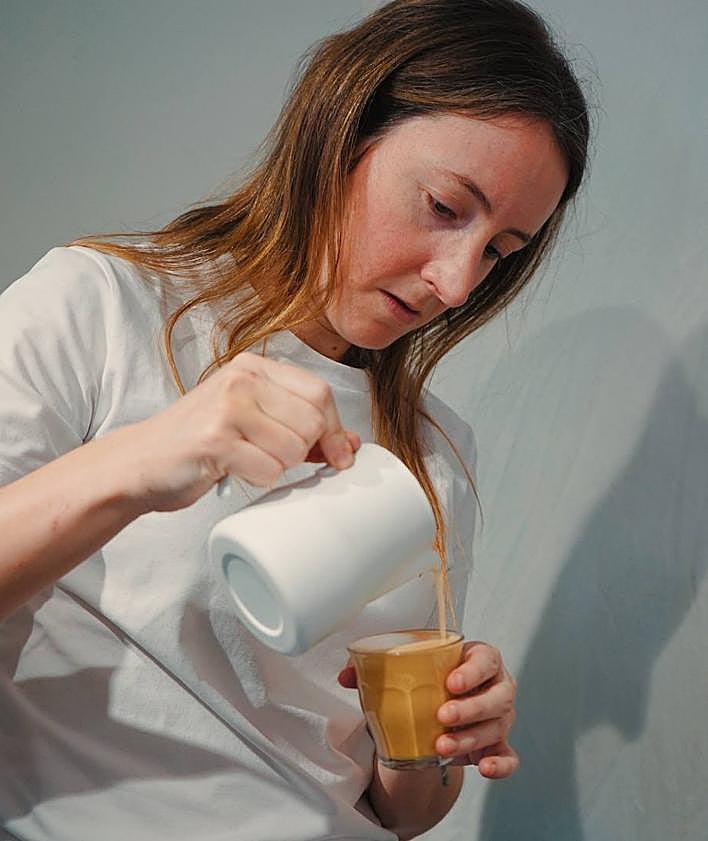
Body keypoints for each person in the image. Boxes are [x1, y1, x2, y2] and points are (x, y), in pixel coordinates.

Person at [0, 0, 590, 838]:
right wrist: (135, 465)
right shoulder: (102, 307)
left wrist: (432, 736)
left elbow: (403, 810)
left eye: (499, 249)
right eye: (445, 206)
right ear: (342, 129)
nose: (458, 284)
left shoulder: (434, 453)